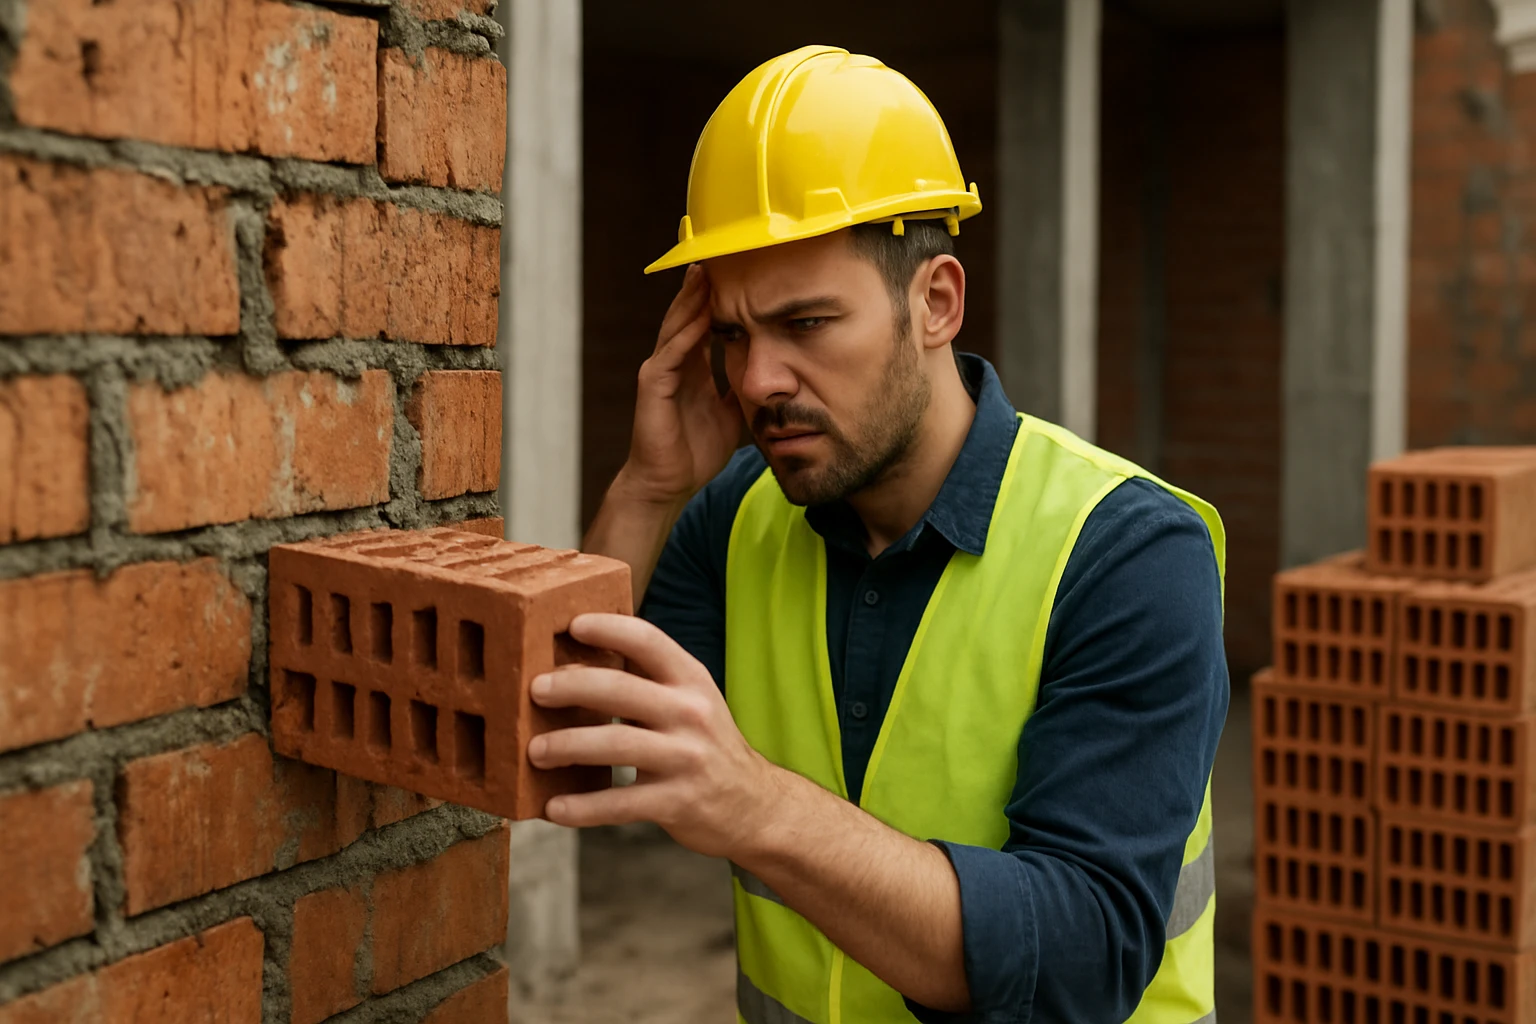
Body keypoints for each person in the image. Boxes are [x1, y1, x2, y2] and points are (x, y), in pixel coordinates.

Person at [523, 45, 1228, 1023]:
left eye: (805, 323)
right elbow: (556, 741)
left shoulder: (1127, 551)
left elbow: (1079, 960)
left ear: (934, 302)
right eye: (732, 333)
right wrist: (649, 488)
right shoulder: (732, 516)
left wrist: (757, 805)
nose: (759, 379)